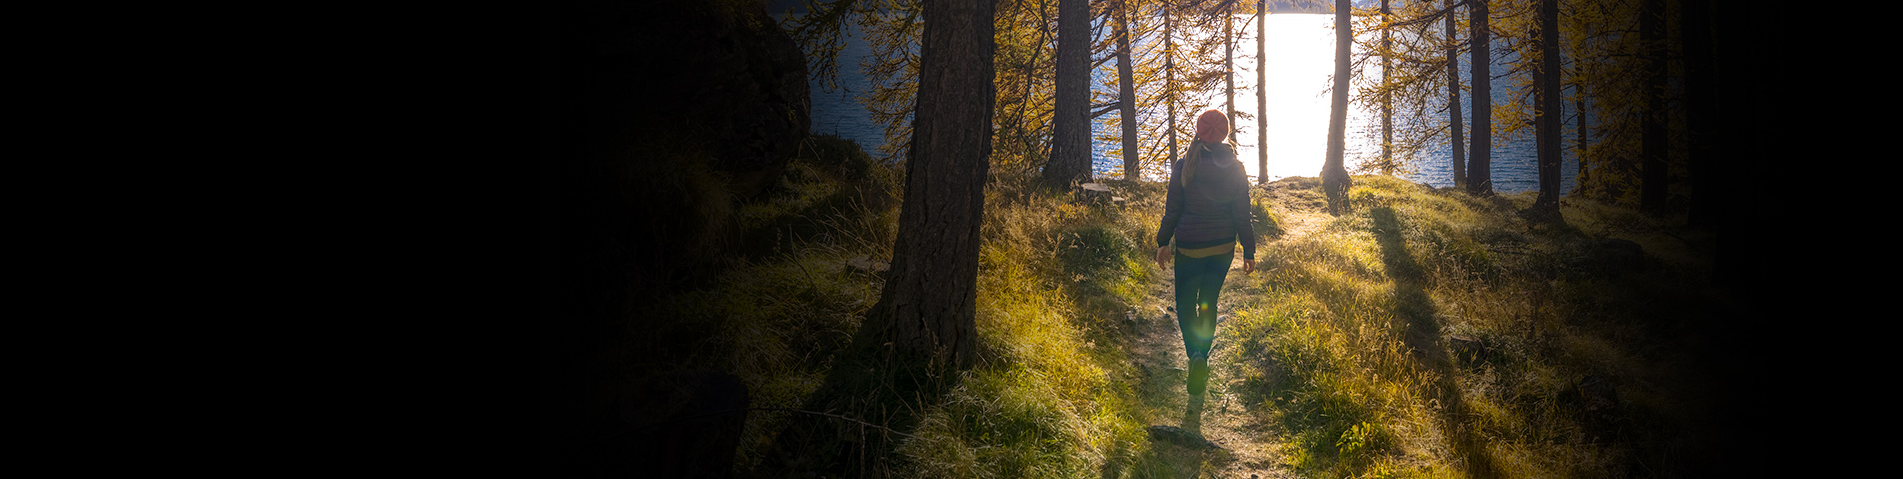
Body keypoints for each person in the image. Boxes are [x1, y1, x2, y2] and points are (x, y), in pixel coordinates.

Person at [1154, 109, 1256, 437]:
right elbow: (1243, 213)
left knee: (1186, 305)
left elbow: (1173, 209)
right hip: (1223, 248)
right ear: (1224, 135)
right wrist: (1249, 250)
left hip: (1191, 247)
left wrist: (1162, 242)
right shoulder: (1237, 167)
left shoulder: (1186, 165)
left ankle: (1195, 355)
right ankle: (1203, 354)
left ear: (1200, 132)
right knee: (1208, 302)